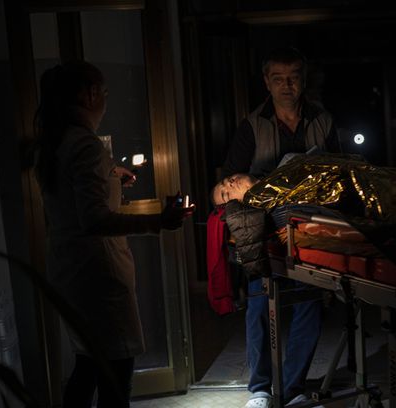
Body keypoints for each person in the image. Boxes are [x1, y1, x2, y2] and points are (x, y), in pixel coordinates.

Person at [33, 60, 194, 408]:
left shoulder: (56, 141)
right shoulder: (85, 145)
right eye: (104, 93)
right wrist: (159, 221)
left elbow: (71, 198)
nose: (106, 101)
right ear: (91, 94)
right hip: (97, 276)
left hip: (69, 269)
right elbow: (94, 220)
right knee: (115, 372)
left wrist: (111, 177)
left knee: (89, 364)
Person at [219, 47, 340, 408]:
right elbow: (232, 178)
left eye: (293, 77)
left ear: (303, 79)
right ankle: (260, 389)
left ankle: (293, 387)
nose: (287, 85)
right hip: (263, 231)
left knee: (310, 304)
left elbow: (339, 170)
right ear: (266, 83)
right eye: (278, 79)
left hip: (309, 228)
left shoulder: (323, 120)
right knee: (259, 304)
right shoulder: (252, 125)